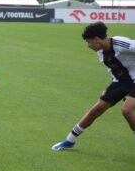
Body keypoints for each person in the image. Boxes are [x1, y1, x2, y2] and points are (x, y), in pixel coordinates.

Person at [52, 22, 135, 151]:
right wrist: (112, 90)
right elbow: (115, 70)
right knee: (96, 110)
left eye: (89, 42)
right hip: (121, 81)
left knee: (126, 110)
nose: (88, 45)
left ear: (97, 40)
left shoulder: (122, 43)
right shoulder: (101, 53)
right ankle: (70, 140)